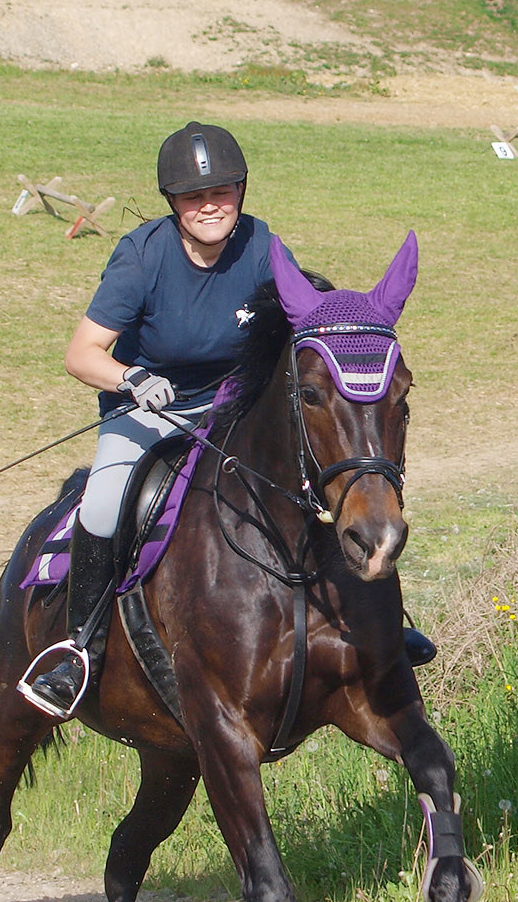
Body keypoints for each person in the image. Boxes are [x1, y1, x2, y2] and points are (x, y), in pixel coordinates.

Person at [29, 122, 434, 712]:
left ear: (241, 192)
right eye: (194, 197)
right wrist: (133, 377)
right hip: (147, 411)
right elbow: (81, 354)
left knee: (320, 477)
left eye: (222, 192)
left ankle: (384, 623)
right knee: (105, 496)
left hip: (229, 411)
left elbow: (308, 316)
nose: (209, 206)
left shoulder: (261, 246)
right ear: (174, 202)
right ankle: (78, 648)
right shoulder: (142, 257)